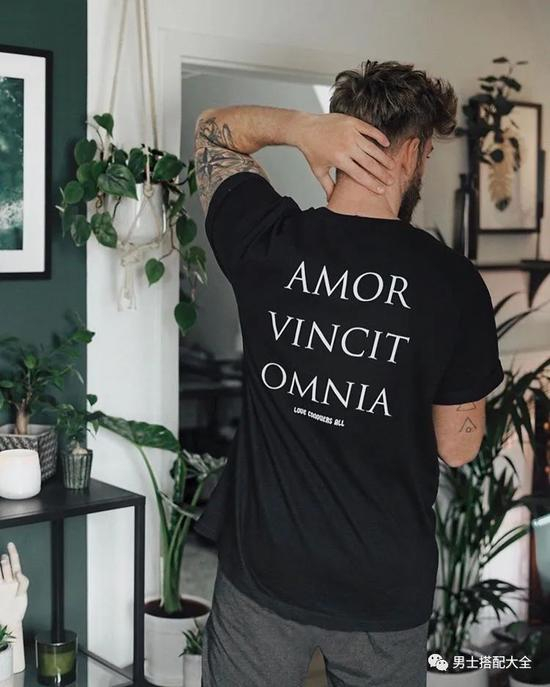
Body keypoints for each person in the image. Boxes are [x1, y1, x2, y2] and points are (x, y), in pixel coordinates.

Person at [193, 61, 504, 687]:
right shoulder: (453, 284)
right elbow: (458, 446)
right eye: (428, 152)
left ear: (336, 137)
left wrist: (299, 129)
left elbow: (212, 133)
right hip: (381, 584)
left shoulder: (268, 241)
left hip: (265, 566)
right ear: (413, 151)